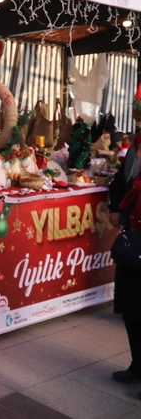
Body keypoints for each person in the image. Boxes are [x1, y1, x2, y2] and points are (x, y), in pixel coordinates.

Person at [108, 132, 141, 397]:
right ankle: (137, 366)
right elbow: (120, 185)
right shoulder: (137, 175)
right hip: (134, 250)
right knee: (131, 311)